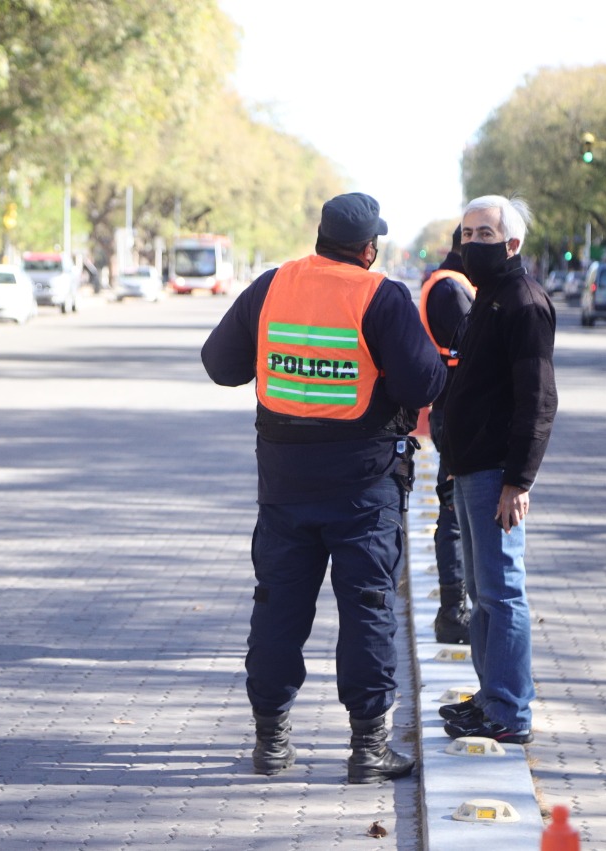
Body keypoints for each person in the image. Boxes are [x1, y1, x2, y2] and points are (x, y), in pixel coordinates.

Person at [201, 192, 446, 783]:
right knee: (366, 610)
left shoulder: (272, 285)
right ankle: (367, 749)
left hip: (284, 485)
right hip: (363, 489)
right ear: (369, 247)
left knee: (278, 607)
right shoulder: (380, 295)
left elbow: (221, 365)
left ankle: (272, 742)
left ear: (320, 236)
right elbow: (423, 385)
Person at [438, 195, 557, 745]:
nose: (471, 244)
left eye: (484, 234)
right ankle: (490, 697)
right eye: (466, 234)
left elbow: (537, 400)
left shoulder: (524, 303)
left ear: (513, 243)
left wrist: (519, 480)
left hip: (496, 475)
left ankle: (511, 710)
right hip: (468, 469)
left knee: (503, 593)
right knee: (483, 594)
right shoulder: (488, 298)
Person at [418, 226, 476, 644]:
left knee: (458, 514)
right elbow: (475, 355)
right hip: (456, 415)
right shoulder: (452, 290)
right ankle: (452, 612)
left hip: (455, 412)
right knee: (454, 517)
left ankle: (455, 609)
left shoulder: (455, 284)